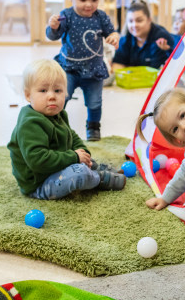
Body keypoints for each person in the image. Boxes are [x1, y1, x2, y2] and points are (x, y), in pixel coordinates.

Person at [7, 60, 126, 200]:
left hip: (56, 168)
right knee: (80, 172)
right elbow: (38, 160)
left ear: (66, 93)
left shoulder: (59, 114)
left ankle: (95, 167)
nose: (51, 96)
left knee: (83, 158)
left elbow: (71, 136)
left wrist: (83, 152)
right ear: (28, 95)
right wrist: (74, 157)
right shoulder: (30, 123)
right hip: (39, 183)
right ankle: (98, 178)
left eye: (57, 90)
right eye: (43, 90)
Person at [46, 0, 119, 141]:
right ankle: (57, 127)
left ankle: (93, 128)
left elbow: (111, 32)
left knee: (95, 102)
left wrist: (114, 36)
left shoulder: (100, 16)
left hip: (93, 71)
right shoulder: (66, 16)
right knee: (62, 98)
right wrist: (53, 27)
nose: (89, 4)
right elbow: (52, 36)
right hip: (69, 68)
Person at [111, 0, 175, 71]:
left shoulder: (161, 38)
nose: (134, 25)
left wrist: (128, 69)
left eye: (139, 20)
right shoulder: (125, 39)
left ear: (149, 20)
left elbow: (154, 71)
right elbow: (117, 65)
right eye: (130, 21)